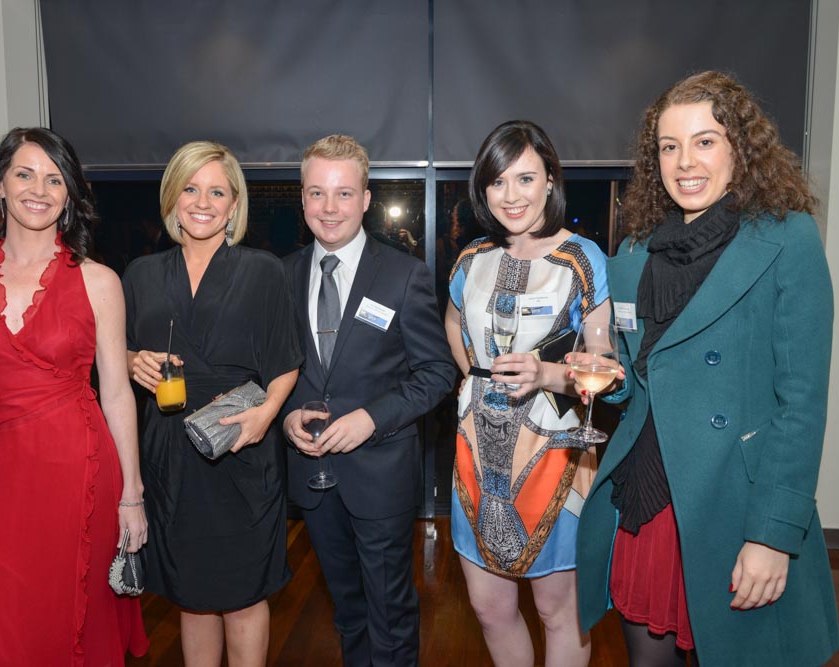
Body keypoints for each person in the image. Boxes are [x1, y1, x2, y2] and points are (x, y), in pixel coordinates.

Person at [575, 71, 839, 666]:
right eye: (669, 146)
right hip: (648, 498)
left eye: (705, 141)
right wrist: (608, 376)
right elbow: (641, 385)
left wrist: (773, 534)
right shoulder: (635, 253)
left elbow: (802, 403)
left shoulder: (787, 240)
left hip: (735, 506)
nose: (685, 162)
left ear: (740, 149)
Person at [0, 127, 148, 664]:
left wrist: (132, 494)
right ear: (0, 185)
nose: (39, 189)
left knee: (69, 614)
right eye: (24, 174)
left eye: (55, 179)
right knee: (1, 619)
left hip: (78, 470)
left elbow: (116, 393)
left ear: (69, 194)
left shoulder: (98, 281)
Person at [123, 141, 301, 667]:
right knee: (192, 596)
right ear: (172, 198)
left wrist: (265, 415)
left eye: (217, 192)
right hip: (169, 455)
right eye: (190, 189)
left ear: (234, 204)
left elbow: (286, 361)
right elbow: (114, 354)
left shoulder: (263, 270)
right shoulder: (141, 274)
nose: (202, 202)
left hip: (240, 448)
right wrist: (133, 360)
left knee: (244, 595)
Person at [281, 134, 455, 666]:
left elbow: (438, 372)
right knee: (348, 610)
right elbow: (269, 373)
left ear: (366, 200)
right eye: (317, 193)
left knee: (390, 611)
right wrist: (284, 416)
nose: (329, 208)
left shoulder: (404, 275)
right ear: (303, 199)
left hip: (380, 475)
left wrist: (370, 419)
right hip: (312, 476)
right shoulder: (281, 275)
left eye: (344, 193)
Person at [444, 120, 607, 667]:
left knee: (557, 612)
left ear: (550, 180)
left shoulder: (583, 259)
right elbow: (452, 322)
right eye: (497, 181)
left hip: (554, 448)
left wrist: (546, 375)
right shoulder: (471, 258)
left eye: (525, 178)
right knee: (489, 608)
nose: (510, 195)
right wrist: (474, 376)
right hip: (475, 449)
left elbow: (605, 363)